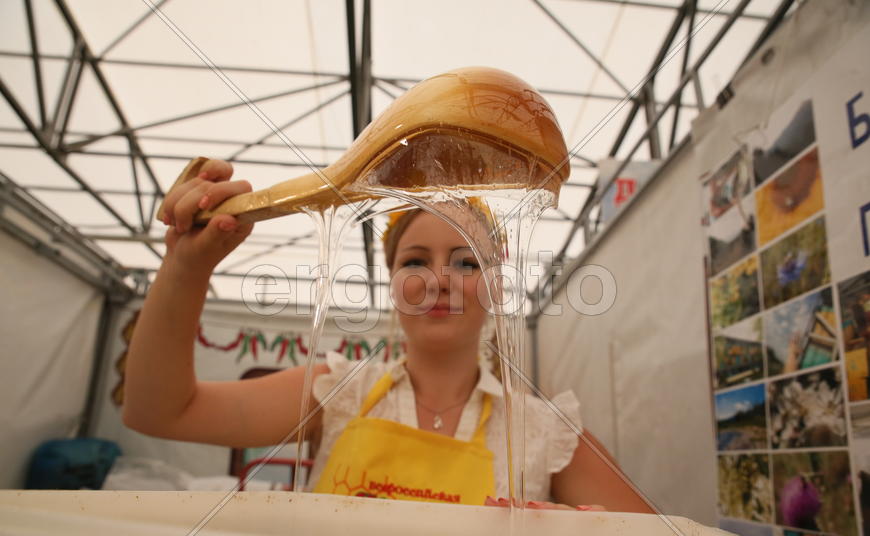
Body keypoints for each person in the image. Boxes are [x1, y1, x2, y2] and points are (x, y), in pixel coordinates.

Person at [124, 158, 653, 513]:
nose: (440, 279)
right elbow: (158, 411)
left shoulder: (546, 433)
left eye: (467, 261)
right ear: (393, 282)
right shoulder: (337, 393)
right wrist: (185, 269)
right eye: (416, 260)